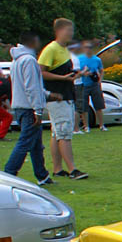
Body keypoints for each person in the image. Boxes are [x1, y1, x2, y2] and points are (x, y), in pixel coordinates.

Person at [38, 18, 86, 180]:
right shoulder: (51, 49)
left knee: (56, 133)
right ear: (59, 31)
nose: (71, 34)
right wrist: (62, 78)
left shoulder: (64, 50)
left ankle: (58, 169)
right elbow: (41, 72)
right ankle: (72, 169)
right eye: (68, 31)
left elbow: (64, 73)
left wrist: (75, 76)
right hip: (57, 97)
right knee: (64, 133)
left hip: (66, 95)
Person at [5, 32, 56, 184]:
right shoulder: (29, 60)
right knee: (25, 143)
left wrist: (47, 95)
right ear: (32, 42)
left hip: (21, 107)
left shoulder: (17, 60)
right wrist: (38, 111)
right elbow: (32, 87)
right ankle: (9, 173)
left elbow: (27, 86)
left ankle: (42, 175)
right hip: (29, 109)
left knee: (35, 144)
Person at [74, 40, 106, 133]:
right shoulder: (79, 59)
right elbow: (75, 71)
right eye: (86, 47)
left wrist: (100, 80)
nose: (88, 49)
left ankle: (101, 125)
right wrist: (84, 73)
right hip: (83, 84)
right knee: (84, 107)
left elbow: (101, 70)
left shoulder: (97, 59)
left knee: (99, 105)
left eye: (90, 47)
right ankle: (86, 126)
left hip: (94, 84)